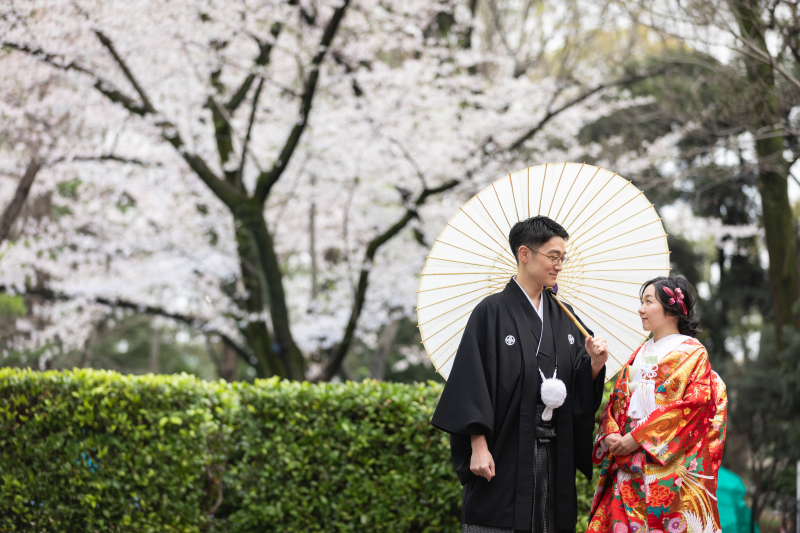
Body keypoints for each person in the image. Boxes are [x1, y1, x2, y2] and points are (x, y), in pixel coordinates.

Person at [431, 216, 608, 533]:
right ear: (525, 254)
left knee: (550, 520)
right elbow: (472, 382)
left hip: (555, 449)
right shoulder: (491, 311)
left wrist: (595, 364)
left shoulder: (566, 317)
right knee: (502, 517)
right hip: (505, 447)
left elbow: (579, 385)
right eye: (553, 257)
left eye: (562, 258)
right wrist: (477, 445)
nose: (559, 266)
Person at [586, 276, 727, 533]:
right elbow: (617, 400)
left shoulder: (693, 353)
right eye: (642, 301)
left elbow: (694, 407)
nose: (640, 308)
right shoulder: (640, 352)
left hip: (667, 474)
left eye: (648, 301)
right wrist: (611, 433)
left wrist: (638, 437)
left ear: (673, 309)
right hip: (626, 468)